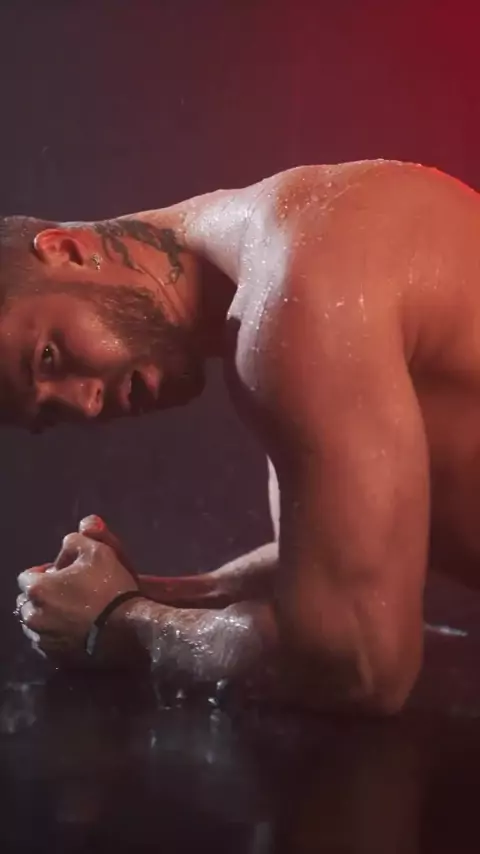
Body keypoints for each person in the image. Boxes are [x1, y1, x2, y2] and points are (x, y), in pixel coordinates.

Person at [7, 158, 479, 714]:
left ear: (66, 250)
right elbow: (355, 553)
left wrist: (121, 622)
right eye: (50, 414)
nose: (84, 405)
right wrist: (149, 594)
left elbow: (362, 662)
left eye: (49, 357)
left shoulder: (295, 295)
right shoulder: (293, 238)